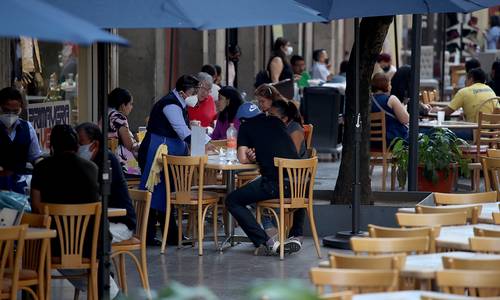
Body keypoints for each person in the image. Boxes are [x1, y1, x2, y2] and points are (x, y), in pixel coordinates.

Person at [138, 75, 210, 246]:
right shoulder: (170, 105)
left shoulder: (179, 103)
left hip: (166, 154)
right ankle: (147, 236)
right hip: (156, 152)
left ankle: (170, 235)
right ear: (182, 92)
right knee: (153, 192)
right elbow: (182, 131)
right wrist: (205, 142)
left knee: (165, 194)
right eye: (193, 92)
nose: (195, 96)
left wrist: (205, 141)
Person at [225, 102, 302, 256]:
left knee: (232, 200)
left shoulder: (246, 127)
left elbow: (241, 158)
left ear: (242, 120)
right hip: (299, 184)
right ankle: (296, 236)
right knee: (294, 189)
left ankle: (267, 241)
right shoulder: (277, 122)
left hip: (275, 184)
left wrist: (250, 157)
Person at [76, 122, 137, 243]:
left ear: (95, 144)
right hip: (100, 220)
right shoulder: (83, 163)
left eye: (81, 143)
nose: (78, 148)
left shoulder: (106, 161)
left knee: (86, 239)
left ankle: (97, 262)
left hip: (120, 223)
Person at [0, 87, 42, 194]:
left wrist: (44, 167)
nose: (10, 115)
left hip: (19, 185)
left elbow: (35, 157)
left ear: (21, 108)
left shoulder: (27, 128)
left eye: (15, 111)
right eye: (6, 110)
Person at [432, 68, 497, 124]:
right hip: (492, 134)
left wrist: (437, 110)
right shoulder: (490, 90)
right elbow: (497, 110)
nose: (465, 82)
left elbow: (447, 112)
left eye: (466, 79)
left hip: (474, 132)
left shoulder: (464, 91)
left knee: (445, 132)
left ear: (471, 79)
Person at [107, 87, 140, 176]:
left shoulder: (106, 113)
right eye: (130, 104)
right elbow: (129, 145)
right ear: (122, 105)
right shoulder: (119, 118)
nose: (131, 107)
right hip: (121, 163)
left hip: (107, 158)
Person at [370, 73, 409, 146]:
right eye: (389, 84)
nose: (391, 86)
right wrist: (404, 108)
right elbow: (405, 120)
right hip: (392, 141)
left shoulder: (367, 101)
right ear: (386, 85)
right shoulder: (391, 99)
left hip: (371, 142)